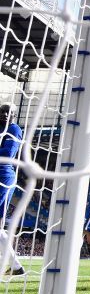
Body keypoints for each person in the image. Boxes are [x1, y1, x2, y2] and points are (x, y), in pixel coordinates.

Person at [0, 103, 24, 276]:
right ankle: (15, 266)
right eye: (3, 111)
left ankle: (15, 265)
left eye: (9, 112)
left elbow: (8, 154)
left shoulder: (14, 129)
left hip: (4, 175)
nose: (5, 115)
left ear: (15, 115)